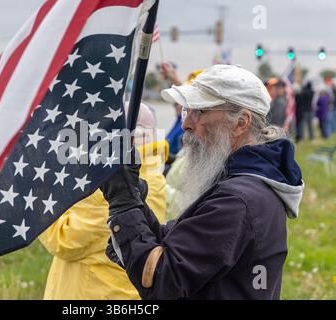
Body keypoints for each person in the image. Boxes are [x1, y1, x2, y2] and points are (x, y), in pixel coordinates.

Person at [100, 64, 304, 300]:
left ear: (241, 122)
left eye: (201, 111)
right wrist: (135, 202)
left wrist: (124, 203)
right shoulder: (244, 185)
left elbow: (161, 280)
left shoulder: (237, 200)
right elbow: (177, 247)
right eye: (188, 110)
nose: (186, 124)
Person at [38, 103, 167, 299]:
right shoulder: (152, 172)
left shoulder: (117, 178)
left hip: (97, 292)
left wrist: (41, 193)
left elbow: (65, 240)